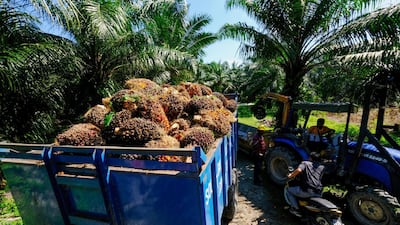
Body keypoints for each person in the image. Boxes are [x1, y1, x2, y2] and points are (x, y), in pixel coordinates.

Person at [286, 152, 325, 217]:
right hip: (319, 191)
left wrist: (290, 175)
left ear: (310, 158)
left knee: (289, 191)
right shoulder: (321, 167)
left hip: (308, 190)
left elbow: (299, 170)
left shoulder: (305, 163)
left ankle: (296, 209)